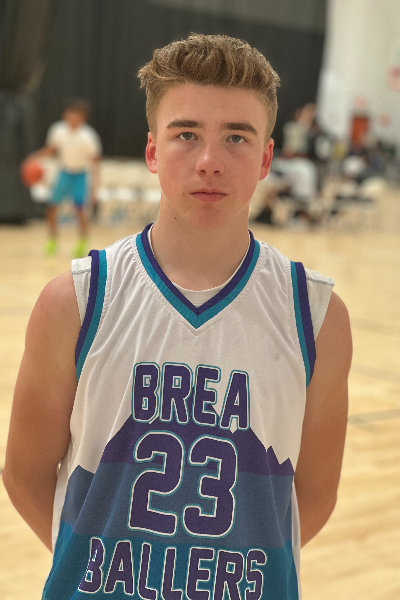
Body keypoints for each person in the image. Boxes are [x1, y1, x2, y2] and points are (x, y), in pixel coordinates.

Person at [3, 34, 352, 599]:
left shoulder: (317, 316)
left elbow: (313, 495)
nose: (209, 162)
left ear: (267, 158)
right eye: (186, 134)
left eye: (236, 137)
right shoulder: (75, 301)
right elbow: (24, 473)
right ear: (152, 151)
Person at [23, 99, 102, 258]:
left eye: (75, 113)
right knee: (51, 207)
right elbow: (50, 150)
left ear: (83, 117)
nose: (70, 116)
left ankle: (82, 241)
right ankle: (52, 240)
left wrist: (94, 188)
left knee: (80, 210)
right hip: (64, 173)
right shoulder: (58, 130)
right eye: (69, 112)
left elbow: (95, 164)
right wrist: (34, 158)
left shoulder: (89, 136)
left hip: (80, 175)